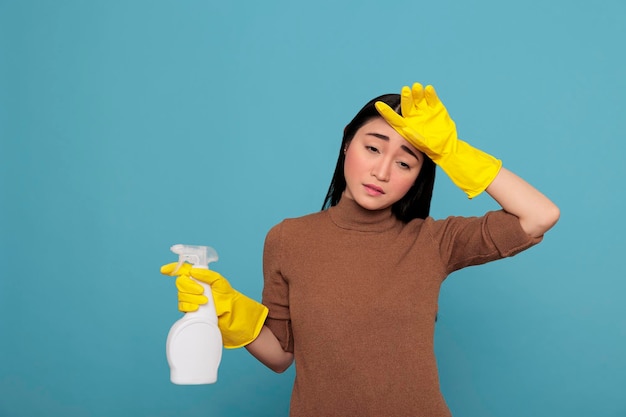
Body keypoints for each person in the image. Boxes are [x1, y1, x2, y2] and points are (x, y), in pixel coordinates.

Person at [161, 83, 560, 416]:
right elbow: (281, 356)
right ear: (348, 143)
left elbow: (539, 215)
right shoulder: (287, 239)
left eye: (406, 163)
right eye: (373, 148)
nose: (382, 172)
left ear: (419, 176)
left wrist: (450, 150)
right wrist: (227, 309)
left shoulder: (434, 241)